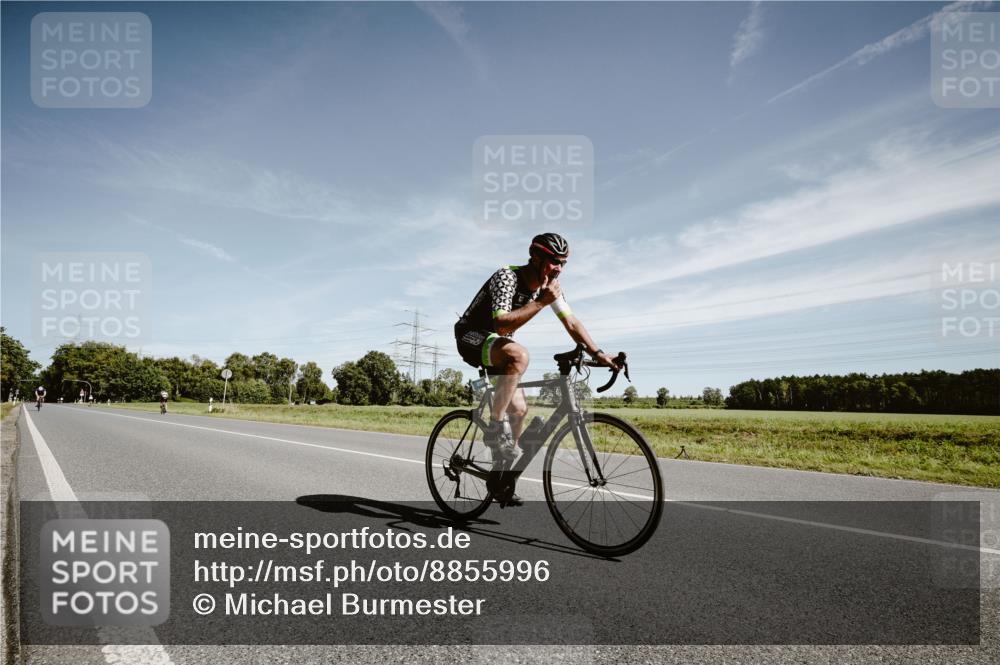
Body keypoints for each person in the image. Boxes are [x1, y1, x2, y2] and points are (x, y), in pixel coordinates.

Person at [454, 232, 619, 463]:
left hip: (497, 347)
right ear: (535, 257)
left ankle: (502, 479)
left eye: (563, 263)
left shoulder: (550, 286)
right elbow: (500, 326)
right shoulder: (507, 276)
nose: (558, 268)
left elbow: (571, 322)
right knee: (519, 355)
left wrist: (598, 353)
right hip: (470, 336)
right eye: (553, 260)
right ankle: (493, 429)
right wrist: (541, 301)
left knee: (519, 411)